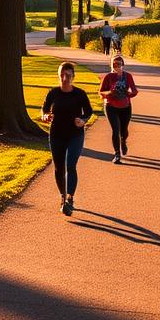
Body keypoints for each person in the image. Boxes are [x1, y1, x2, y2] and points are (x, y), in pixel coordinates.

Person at [40, 61, 93, 216]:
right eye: (62, 75)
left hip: (75, 135)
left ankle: (70, 198)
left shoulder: (80, 94)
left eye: (68, 75)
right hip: (56, 134)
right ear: (59, 76)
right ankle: (63, 196)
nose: (65, 78)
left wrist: (83, 120)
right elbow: (44, 109)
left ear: (73, 77)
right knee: (59, 168)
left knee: (71, 165)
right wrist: (45, 115)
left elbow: (88, 111)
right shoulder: (53, 93)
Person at [98, 55, 139, 164]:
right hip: (111, 107)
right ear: (111, 65)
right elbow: (101, 92)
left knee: (124, 131)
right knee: (115, 130)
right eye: (114, 64)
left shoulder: (128, 76)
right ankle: (117, 154)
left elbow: (134, 91)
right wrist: (110, 93)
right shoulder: (108, 77)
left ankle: (123, 140)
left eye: (118, 64)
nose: (116, 66)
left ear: (123, 65)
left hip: (125, 107)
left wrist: (128, 94)